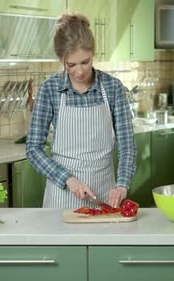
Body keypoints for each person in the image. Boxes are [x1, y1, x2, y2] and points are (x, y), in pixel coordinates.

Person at [26, 13, 137, 209]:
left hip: (104, 194)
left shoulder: (113, 88)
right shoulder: (50, 89)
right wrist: (67, 179)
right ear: (61, 60)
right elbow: (34, 149)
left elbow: (127, 145)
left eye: (85, 62)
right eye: (71, 65)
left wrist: (122, 185)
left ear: (93, 53)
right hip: (62, 196)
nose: (79, 71)